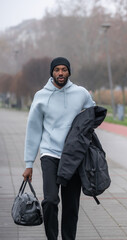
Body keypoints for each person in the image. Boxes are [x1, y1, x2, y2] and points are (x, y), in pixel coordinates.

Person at [22, 57, 95, 240]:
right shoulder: (41, 96)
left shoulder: (81, 93)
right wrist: (29, 163)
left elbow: (93, 115)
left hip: (73, 157)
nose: (60, 73)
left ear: (69, 72)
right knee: (51, 201)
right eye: (57, 70)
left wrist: (83, 133)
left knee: (71, 206)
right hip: (49, 154)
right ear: (52, 72)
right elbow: (33, 130)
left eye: (64, 69)